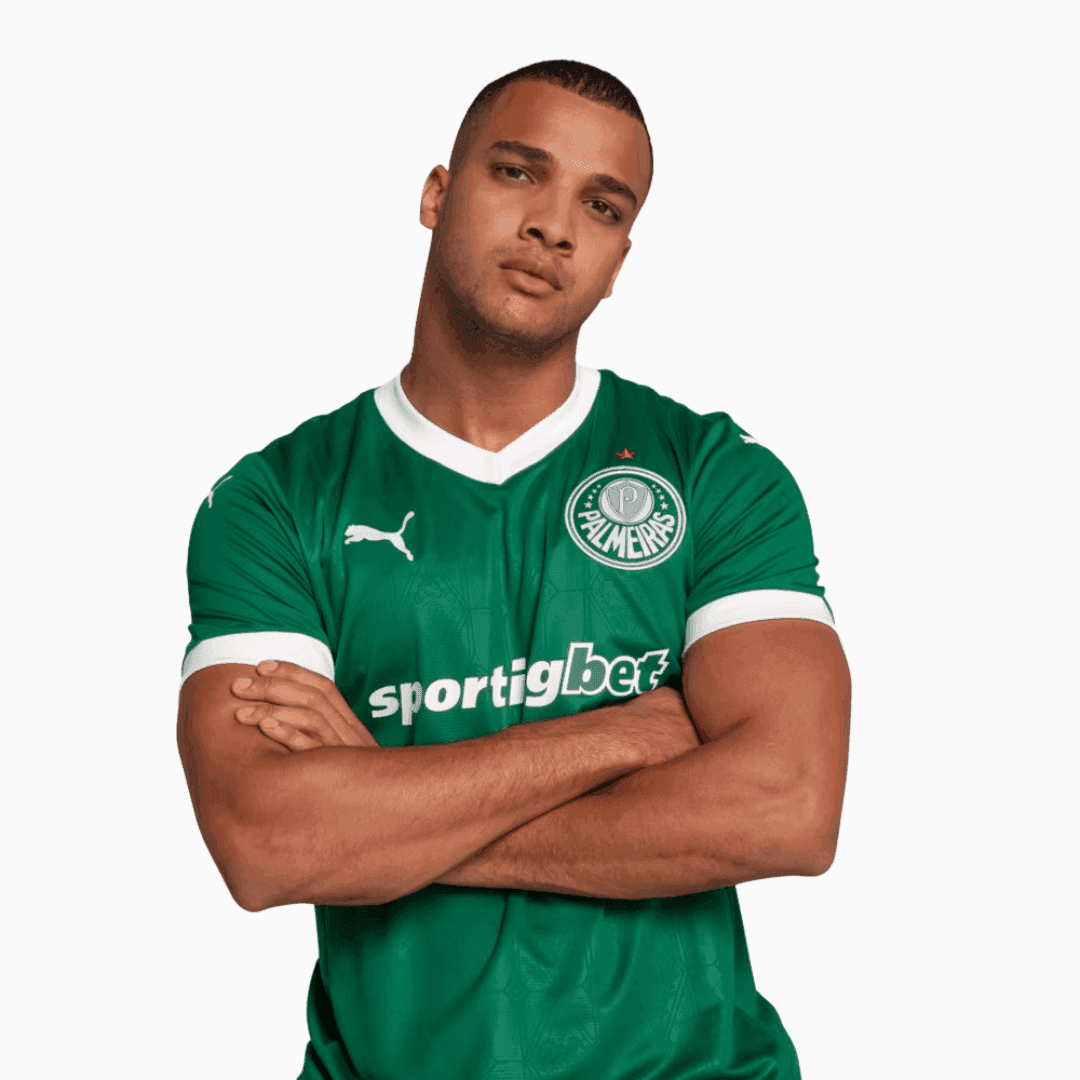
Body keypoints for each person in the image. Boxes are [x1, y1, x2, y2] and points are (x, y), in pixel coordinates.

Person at [177, 59, 851, 1080]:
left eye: (602, 205)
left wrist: (379, 803)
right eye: (518, 173)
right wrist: (626, 734)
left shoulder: (714, 472)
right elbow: (267, 844)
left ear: (620, 260)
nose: (554, 225)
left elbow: (788, 809)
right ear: (436, 194)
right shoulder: (276, 500)